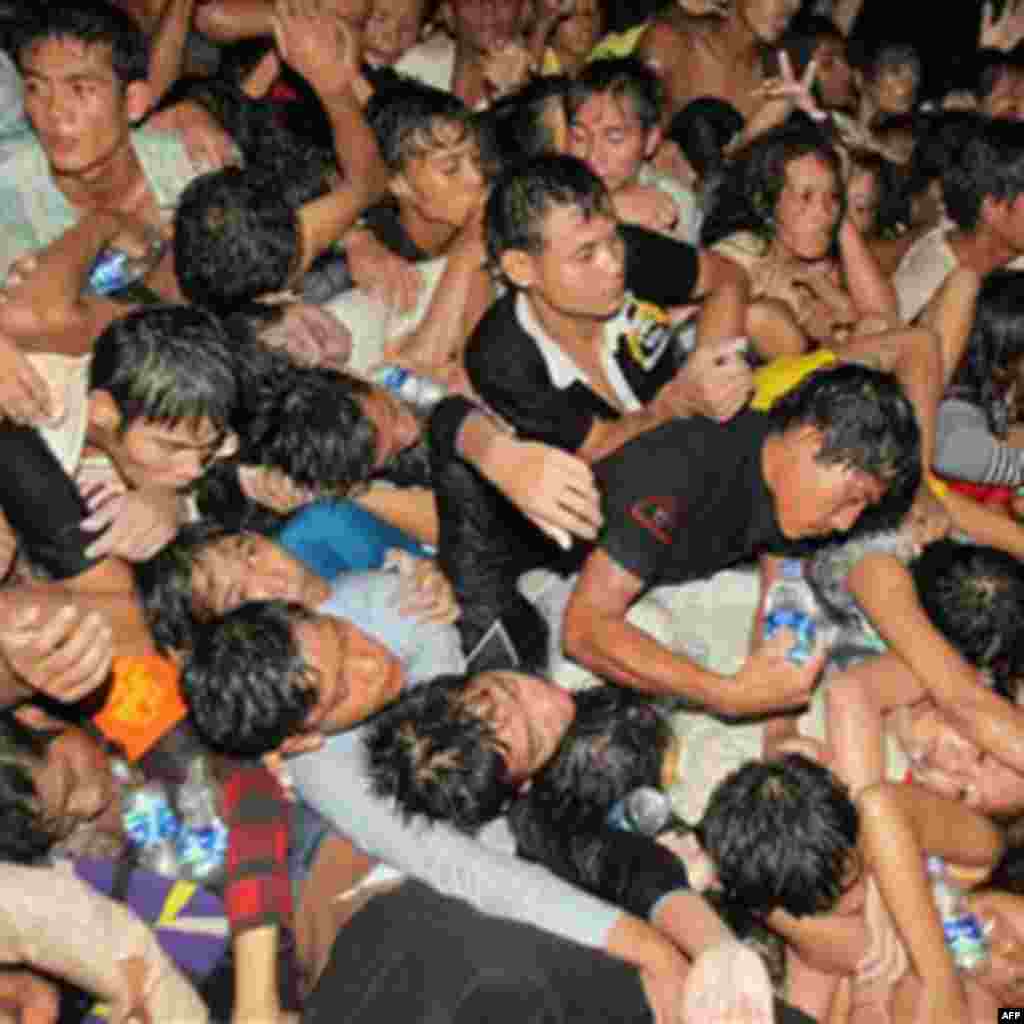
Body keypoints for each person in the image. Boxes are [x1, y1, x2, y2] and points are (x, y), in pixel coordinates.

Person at [560, 362, 919, 714]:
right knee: (646, 638)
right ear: (811, 439)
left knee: (811, 619)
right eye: (852, 498)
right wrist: (723, 694)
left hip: (661, 577)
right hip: (561, 579)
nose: (845, 522)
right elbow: (583, 629)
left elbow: (782, 591)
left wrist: (779, 722)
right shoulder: (682, 466)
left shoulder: (787, 485)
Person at [566, 57, 700, 240]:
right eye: (578, 137)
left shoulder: (674, 202)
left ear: (651, 140)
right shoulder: (550, 187)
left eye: (614, 138)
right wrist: (608, 209)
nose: (592, 156)